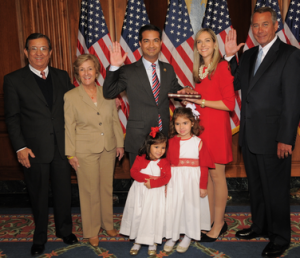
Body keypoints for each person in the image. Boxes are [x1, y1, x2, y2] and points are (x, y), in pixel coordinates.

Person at [224, 7, 300, 257]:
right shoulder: (248, 54)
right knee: (256, 187)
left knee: (276, 190)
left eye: (264, 25)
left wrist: (286, 138)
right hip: (249, 135)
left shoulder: (290, 55)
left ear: (276, 25)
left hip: (275, 138)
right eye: (255, 26)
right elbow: (233, 83)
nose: (259, 30)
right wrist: (227, 57)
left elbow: (292, 101)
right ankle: (260, 225)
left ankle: (280, 237)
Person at [3, 33, 77, 256]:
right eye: (33, 49)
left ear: (50, 52)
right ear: (26, 53)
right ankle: (40, 237)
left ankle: (65, 231)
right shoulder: (13, 79)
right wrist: (20, 147)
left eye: (43, 49)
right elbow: (12, 117)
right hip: (33, 149)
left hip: (62, 146)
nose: (39, 53)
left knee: (64, 192)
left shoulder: (62, 76)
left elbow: (75, 106)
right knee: (38, 194)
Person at [103, 24, 194, 167]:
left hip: (163, 136)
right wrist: (114, 66)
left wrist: (186, 90)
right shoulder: (128, 71)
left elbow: (176, 90)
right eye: (146, 41)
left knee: (162, 179)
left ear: (161, 43)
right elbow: (109, 92)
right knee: (139, 182)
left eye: (155, 40)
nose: (151, 45)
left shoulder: (168, 69)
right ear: (140, 43)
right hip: (139, 137)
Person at [64, 54, 124, 247]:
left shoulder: (107, 92)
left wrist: (120, 144)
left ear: (97, 72)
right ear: (77, 74)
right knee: (89, 190)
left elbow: (114, 120)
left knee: (106, 188)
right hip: (84, 150)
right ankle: (91, 230)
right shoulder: (71, 96)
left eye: (90, 68)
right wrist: (70, 153)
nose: (86, 73)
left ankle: (108, 224)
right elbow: (69, 126)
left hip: (108, 147)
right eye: (82, 69)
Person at [185, 28, 235, 242]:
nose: (203, 45)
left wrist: (200, 101)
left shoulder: (222, 66)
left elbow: (228, 104)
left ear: (215, 44)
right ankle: (214, 221)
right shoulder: (201, 69)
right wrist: (191, 97)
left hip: (217, 130)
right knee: (211, 177)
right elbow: (203, 97)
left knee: (217, 176)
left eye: (207, 41)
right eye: (199, 42)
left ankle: (220, 224)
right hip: (203, 128)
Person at [164, 107, 215, 253]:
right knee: (175, 206)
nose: (181, 127)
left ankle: (188, 234)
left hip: (193, 180)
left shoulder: (198, 142)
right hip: (175, 179)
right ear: (174, 125)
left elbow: (204, 166)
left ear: (192, 123)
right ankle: (173, 235)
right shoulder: (171, 142)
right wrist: (166, 183)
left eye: (185, 123)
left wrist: (203, 186)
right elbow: (167, 164)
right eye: (178, 124)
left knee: (190, 206)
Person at [119, 127, 171, 256]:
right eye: (157, 147)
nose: (160, 151)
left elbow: (166, 178)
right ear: (149, 146)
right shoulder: (140, 158)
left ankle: (152, 241)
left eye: (163, 148)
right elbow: (133, 172)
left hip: (155, 194)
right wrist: (146, 179)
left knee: (153, 216)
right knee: (139, 214)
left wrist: (153, 183)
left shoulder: (164, 162)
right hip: (140, 193)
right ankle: (137, 240)